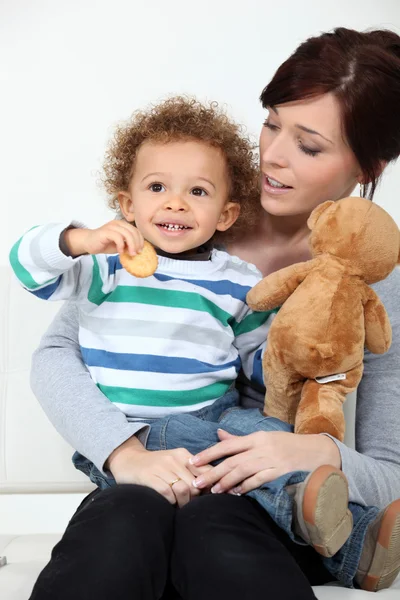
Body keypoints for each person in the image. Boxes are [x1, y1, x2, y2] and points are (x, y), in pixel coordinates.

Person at [23, 27, 400, 600]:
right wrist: (123, 452)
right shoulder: (181, 218)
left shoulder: (377, 285)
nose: (271, 155)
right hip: (146, 469)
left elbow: (390, 471)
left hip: (263, 504)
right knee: (120, 517)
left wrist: (311, 448)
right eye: (271, 122)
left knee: (214, 527)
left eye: (309, 145)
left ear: (368, 167)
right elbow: (57, 353)